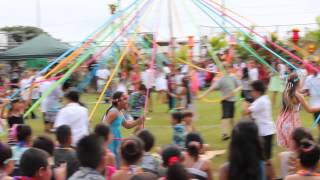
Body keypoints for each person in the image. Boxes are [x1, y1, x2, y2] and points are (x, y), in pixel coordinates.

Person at [198, 63, 242, 140]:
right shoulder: (221, 79)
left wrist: (235, 91)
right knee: (225, 117)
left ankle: (234, 133)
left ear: (230, 69)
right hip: (225, 100)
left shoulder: (233, 77)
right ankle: (224, 134)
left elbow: (240, 86)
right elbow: (211, 88)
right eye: (225, 69)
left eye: (228, 68)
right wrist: (203, 95)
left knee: (231, 118)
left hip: (232, 100)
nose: (227, 70)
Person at [276, 74, 320, 149]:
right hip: (291, 122)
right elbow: (309, 110)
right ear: (298, 83)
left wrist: (304, 78)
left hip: (282, 121)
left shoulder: (286, 91)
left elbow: (298, 90)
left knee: (291, 147)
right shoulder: (298, 95)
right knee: (296, 147)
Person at [103, 91, 144, 167]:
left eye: (127, 98)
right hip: (111, 142)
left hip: (116, 140)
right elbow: (103, 127)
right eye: (125, 99)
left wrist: (139, 121)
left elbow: (127, 125)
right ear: (118, 102)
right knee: (112, 164)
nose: (127, 101)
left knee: (117, 163)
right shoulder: (114, 112)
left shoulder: (119, 112)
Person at [243, 80, 276, 161]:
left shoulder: (261, 101)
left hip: (265, 132)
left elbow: (246, 112)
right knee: (262, 156)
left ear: (258, 91)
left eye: (252, 90)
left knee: (265, 157)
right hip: (264, 131)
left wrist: (245, 103)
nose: (250, 93)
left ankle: (267, 172)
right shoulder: (261, 99)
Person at [303, 70, 320, 138]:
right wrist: (301, 94)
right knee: (318, 122)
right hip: (314, 105)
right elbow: (307, 91)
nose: (313, 65)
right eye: (312, 63)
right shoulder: (308, 78)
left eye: (315, 63)